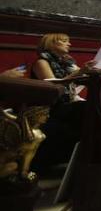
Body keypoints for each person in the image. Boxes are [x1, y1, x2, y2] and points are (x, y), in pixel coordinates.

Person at [30, 33, 96, 172]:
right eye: (64, 41)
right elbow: (53, 86)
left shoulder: (66, 62)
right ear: (51, 44)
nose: (69, 44)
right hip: (48, 107)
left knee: (89, 108)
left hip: (65, 104)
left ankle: (79, 158)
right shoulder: (42, 62)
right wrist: (79, 72)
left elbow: (81, 76)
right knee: (82, 109)